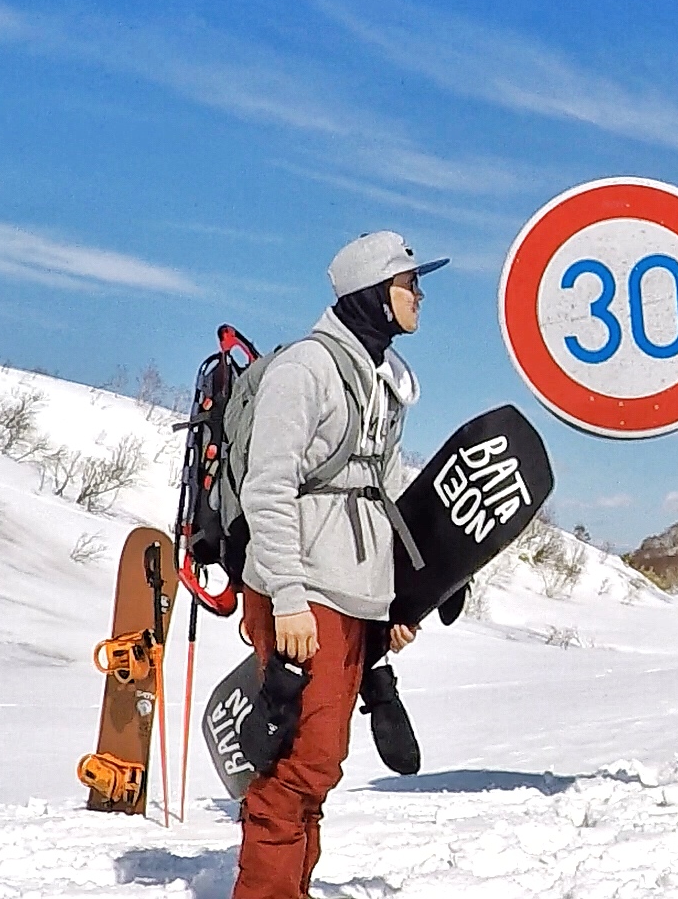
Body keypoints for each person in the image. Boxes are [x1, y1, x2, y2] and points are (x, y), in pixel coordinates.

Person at [232, 231, 445, 899]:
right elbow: (266, 488)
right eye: (410, 284)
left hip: (351, 594)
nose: (420, 295)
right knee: (298, 764)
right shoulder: (307, 370)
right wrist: (288, 598)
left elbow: (376, 504)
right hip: (303, 589)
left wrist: (388, 612)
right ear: (375, 296)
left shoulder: (382, 383)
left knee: (319, 766)